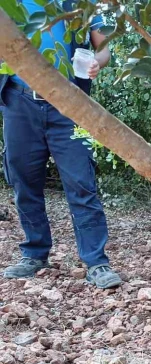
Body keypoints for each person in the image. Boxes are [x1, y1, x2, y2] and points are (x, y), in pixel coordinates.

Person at [0, 0, 122, 288]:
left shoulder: (82, 4)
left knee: (82, 182)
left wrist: (97, 62)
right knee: (23, 181)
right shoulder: (10, 4)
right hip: (19, 101)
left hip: (71, 103)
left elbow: (104, 48)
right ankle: (34, 253)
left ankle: (96, 262)